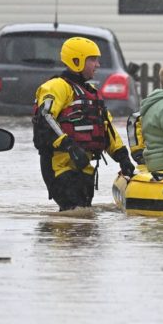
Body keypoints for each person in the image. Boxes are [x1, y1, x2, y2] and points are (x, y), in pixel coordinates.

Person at [32, 36, 136, 210]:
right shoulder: (57, 86)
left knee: (84, 217)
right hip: (59, 165)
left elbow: (106, 127)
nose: (98, 65)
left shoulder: (91, 92)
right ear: (76, 60)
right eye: (93, 59)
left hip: (84, 166)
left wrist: (122, 157)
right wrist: (70, 147)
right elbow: (45, 118)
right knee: (72, 214)